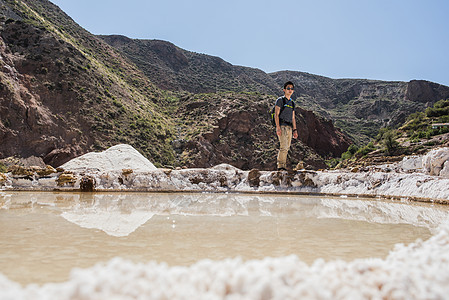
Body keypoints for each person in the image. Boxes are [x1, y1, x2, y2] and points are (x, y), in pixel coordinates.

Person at [274, 81, 298, 171]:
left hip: (289, 128)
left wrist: (295, 130)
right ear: (284, 90)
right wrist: (278, 127)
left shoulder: (292, 103)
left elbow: (293, 117)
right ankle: (281, 166)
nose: (290, 90)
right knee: (283, 147)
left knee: (287, 148)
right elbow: (276, 114)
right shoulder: (280, 100)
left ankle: (283, 166)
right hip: (282, 126)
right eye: (288, 88)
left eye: (291, 88)